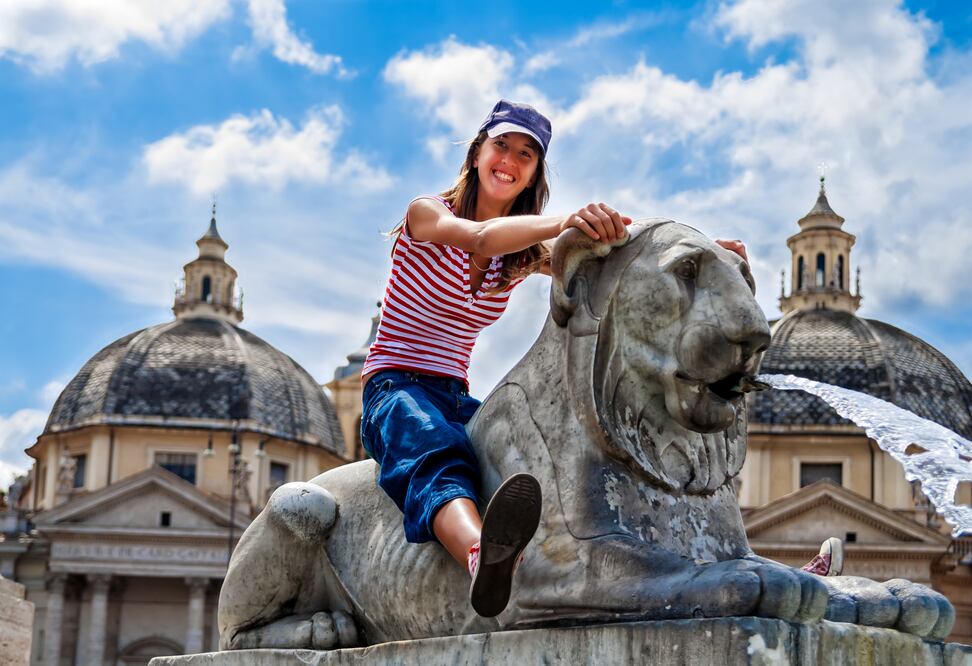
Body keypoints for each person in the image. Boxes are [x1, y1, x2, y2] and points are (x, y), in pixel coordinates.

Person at [360, 100, 838, 620]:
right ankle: (481, 555)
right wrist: (567, 219)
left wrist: (695, 251)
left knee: (518, 464)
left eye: (527, 154)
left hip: (456, 395)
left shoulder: (517, 257)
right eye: (502, 145)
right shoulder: (427, 213)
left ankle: (745, 571)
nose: (510, 160)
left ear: (533, 174)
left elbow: (621, 262)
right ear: (478, 151)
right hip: (396, 387)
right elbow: (476, 236)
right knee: (435, 453)